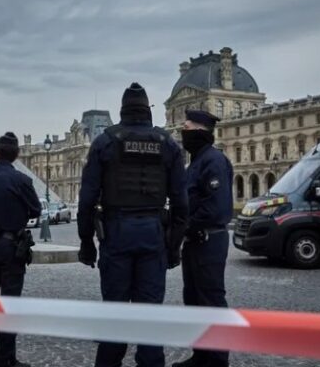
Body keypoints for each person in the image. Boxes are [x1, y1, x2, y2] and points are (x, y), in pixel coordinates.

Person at [78, 82, 188, 367]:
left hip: (115, 234)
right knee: (150, 318)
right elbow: (181, 204)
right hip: (154, 235)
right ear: (148, 111)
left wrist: (86, 242)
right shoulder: (168, 144)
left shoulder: (105, 142)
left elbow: (87, 199)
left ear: (123, 111)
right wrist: (174, 247)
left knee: (114, 316)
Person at [0, 132, 41, 367]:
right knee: (9, 304)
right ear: (17, 154)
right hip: (12, 248)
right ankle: (4, 358)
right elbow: (36, 210)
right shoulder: (22, 180)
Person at [173, 110, 233, 367]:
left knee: (211, 299)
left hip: (209, 240)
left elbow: (217, 208)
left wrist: (186, 223)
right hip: (195, 242)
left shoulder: (214, 161)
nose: (182, 132)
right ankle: (201, 355)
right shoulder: (197, 162)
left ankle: (217, 360)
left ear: (200, 131)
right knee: (194, 299)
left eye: (186, 127)